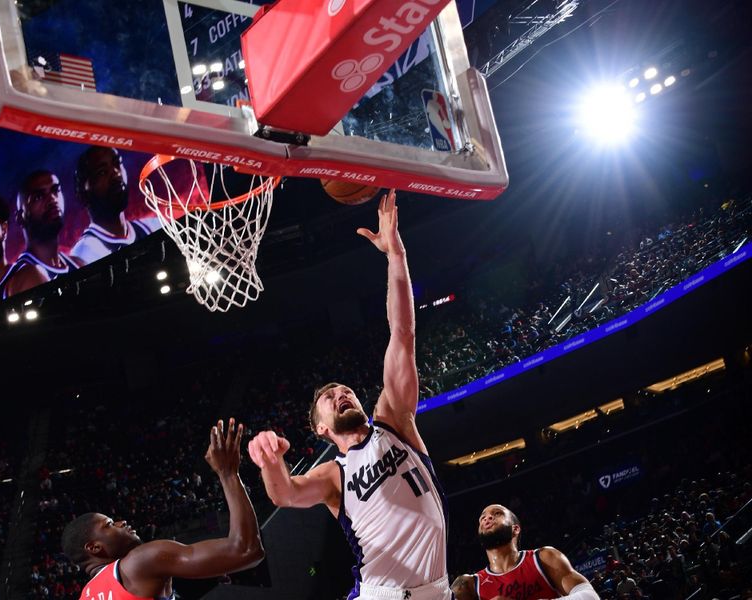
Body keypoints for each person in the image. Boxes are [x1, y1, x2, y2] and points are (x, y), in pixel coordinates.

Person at [248, 190, 452, 600]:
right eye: (329, 396)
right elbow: (284, 493)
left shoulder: (394, 420)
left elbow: (403, 334)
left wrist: (396, 256)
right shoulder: (332, 476)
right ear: (321, 428)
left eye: (345, 390)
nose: (341, 394)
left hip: (436, 592)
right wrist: (271, 461)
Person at [61, 418, 263, 600]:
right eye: (109, 524)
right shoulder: (140, 561)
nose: (122, 522)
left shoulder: (86, 595)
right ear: (94, 547)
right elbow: (246, 550)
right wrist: (228, 473)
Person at [451, 504, 600, 600]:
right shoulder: (468, 584)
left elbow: (590, 596)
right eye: (482, 517)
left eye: (497, 513)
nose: (487, 518)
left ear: (515, 529)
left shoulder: (543, 558)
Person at [70, 146, 159, 264]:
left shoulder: (153, 226)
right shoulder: (85, 252)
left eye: (117, 164)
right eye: (102, 172)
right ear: (82, 193)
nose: (116, 173)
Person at [15, 169, 82, 279]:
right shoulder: (20, 279)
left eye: (55, 190)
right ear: (20, 217)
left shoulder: (78, 264)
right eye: (38, 197)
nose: (52, 199)